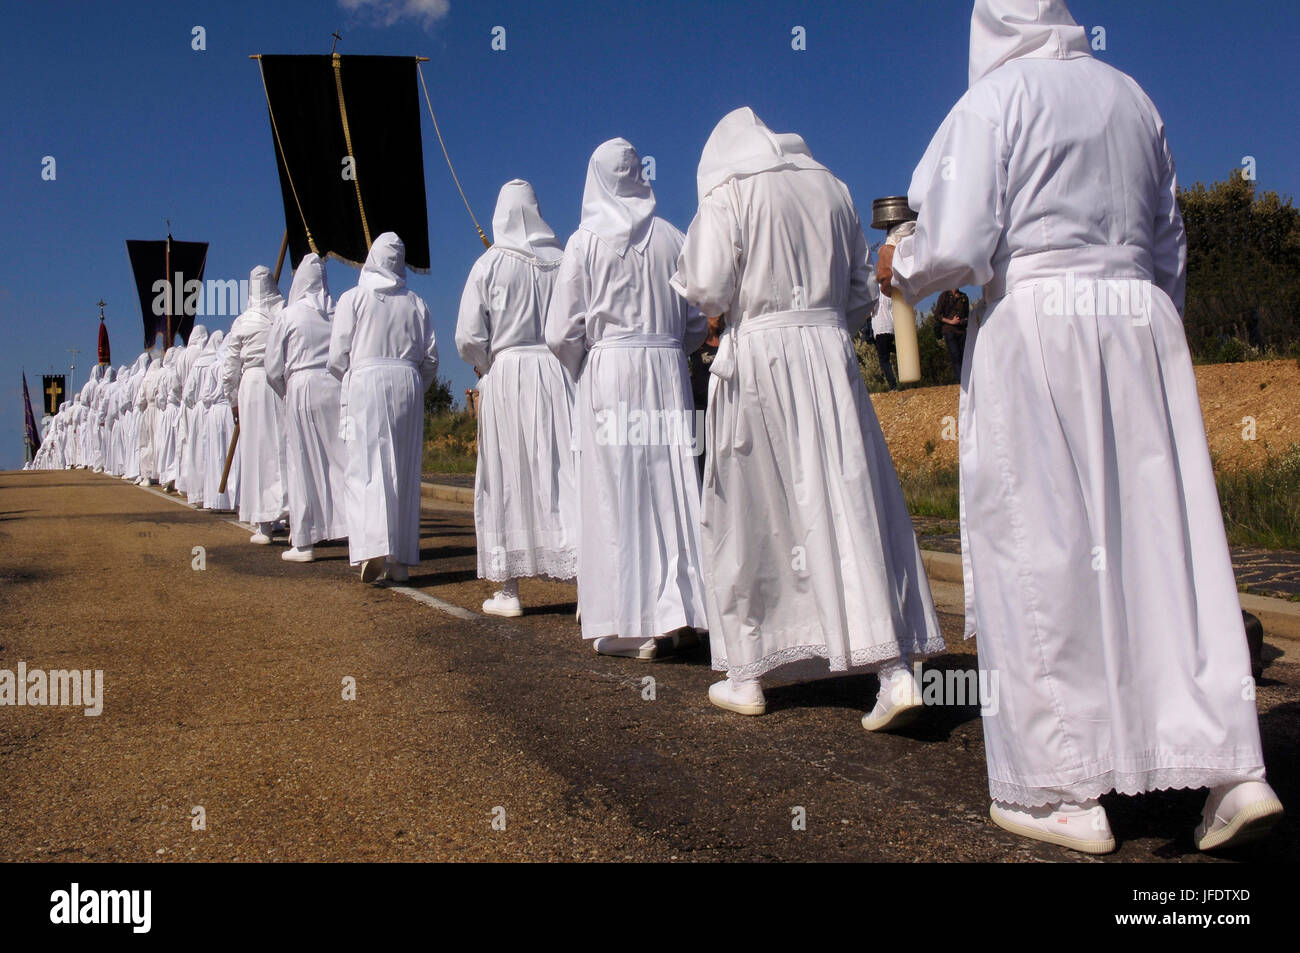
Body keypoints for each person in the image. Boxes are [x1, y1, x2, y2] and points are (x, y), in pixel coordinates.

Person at [880, 0, 1283, 853]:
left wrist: (899, 263)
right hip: (1140, 326)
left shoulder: (995, 101)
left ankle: (1061, 787)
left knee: (1044, 544)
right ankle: (1230, 769)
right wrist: (1148, 329)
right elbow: (1169, 242)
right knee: (1165, 547)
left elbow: (955, 241)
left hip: (1039, 324)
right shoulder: (1132, 98)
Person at [671, 107, 944, 723]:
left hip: (760, 356)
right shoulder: (831, 185)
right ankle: (892, 667)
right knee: (847, 501)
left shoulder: (730, 189)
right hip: (828, 356)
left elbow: (709, 288)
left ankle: (748, 672)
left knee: (752, 509)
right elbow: (857, 294)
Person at [546, 138, 709, 659]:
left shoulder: (584, 242)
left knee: (617, 490)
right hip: (666, 369)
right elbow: (697, 321)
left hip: (611, 368)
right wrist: (669, 352)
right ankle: (680, 609)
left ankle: (631, 621)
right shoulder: (673, 237)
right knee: (671, 486)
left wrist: (584, 366)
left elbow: (558, 332)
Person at [456, 180, 579, 615]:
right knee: (565, 469)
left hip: (507, 373)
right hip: (558, 370)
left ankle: (508, 590)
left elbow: (468, 336)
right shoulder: (564, 260)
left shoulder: (488, 265)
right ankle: (587, 582)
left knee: (505, 473)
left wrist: (486, 362)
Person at [328, 232, 439, 584]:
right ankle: (401, 560)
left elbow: (336, 357)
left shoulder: (353, 298)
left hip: (367, 380)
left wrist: (351, 377)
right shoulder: (416, 303)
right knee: (404, 470)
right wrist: (415, 384)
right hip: (408, 381)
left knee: (366, 464)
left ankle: (373, 545)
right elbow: (431, 359)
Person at [266, 254, 348, 562]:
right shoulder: (339, 310)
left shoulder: (289, 315)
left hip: (301, 386)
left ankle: (303, 542)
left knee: (301, 464)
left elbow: (273, 367)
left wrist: (286, 392)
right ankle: (355, 531)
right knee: (341, 461)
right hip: (335, 385)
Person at [222, 266, 287, 543]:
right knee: (282, 448)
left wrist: (232, 399)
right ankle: (288, 513)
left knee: (257, 450)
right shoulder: (284, 313)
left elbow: (229, 367)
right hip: (280, 382)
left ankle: (264, 523)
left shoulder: (242, 322)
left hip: (251, 385)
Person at [200, 330, 239, 511]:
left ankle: (217, 499)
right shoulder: (234, 364)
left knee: (217, 453)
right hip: (232, 410)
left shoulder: (214, 366)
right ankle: (235, 498)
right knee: (235, 455)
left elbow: (206, 395)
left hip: (216, 412)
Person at [934, 288, 969, 379]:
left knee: (964, 356)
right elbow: (937, 315)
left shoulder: (963, 297)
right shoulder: (944, 296)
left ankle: (966, 379)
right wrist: (951, 321)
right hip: (949, 330)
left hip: (961, 330)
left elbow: (967, 314)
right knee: (955, 355)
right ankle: (960, 380)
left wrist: (964, 321)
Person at [870, 288, 899, 390]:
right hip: (891, 327)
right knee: (889, 348)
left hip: (880, 328)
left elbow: (872, 309)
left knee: (884, 359)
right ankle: (902, 353)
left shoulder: (874, 292)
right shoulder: (888, 292)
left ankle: (893, 385)